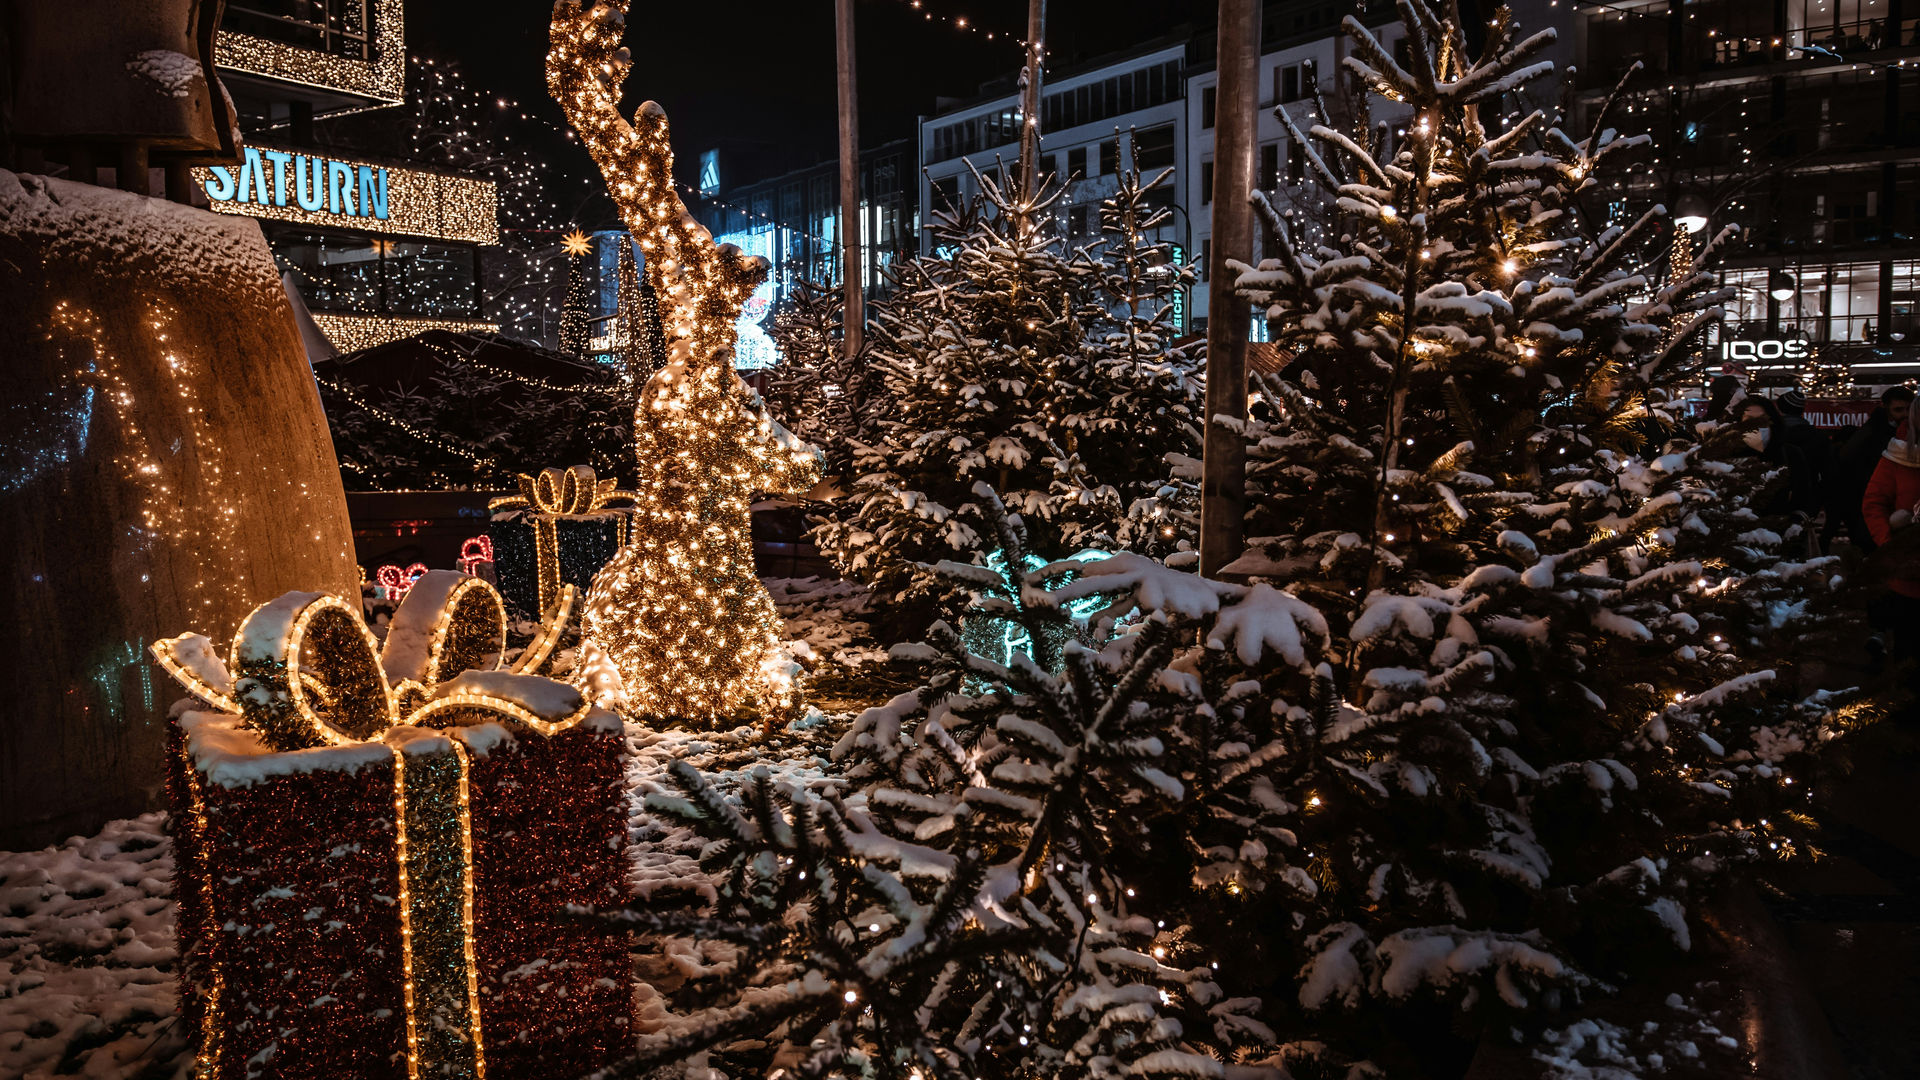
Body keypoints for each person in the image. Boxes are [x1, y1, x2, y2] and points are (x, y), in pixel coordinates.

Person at [1863, 417, 1920, 678]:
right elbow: (1873, 503)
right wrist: (1890, 545)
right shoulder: (1898, 454)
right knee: (1910, 651)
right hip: (1909, 572)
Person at [1830, 386, 1915, 553]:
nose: (1905, 415)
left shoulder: (1884, 431)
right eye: (1898, 410)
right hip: (1875, 511)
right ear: (1886, 409)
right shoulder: (1875, 435)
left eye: (1908, 409)